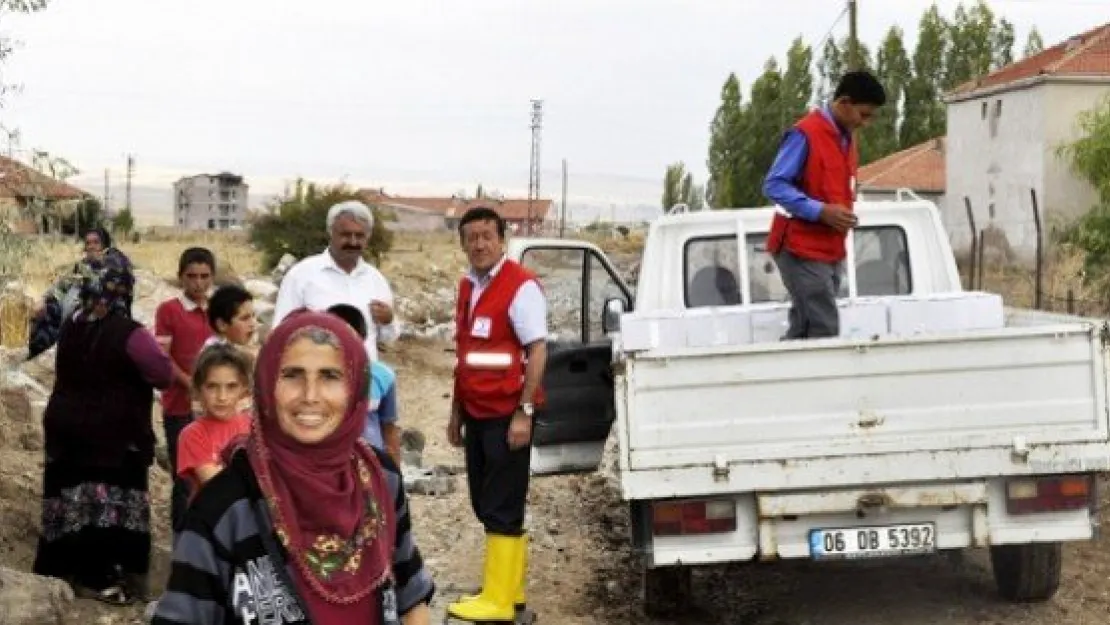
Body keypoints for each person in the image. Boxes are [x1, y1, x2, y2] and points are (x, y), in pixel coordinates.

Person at [151, 310, 434, 625]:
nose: (310, 396)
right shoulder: (224, 506)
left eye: (330, 376)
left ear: (355, 388)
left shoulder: (381, 478)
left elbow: (412, 597)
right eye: (292, 375)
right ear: (267, 385)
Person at [33, 252, 173, 606]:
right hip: (111, 436)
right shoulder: (132, 334)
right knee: (108, 505)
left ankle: (61, 571)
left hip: (66, 428)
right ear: (125, 291)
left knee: (70, 499)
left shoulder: (72, 326)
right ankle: (100, 579)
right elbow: (163, 375)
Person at [445, 207, 548, 623]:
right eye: (471, 237)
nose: (479, 244)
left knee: (502, 506)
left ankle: (498, 602)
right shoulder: (468, 287)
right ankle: (512, 592)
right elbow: (467, 354)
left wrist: (524, 412)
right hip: (476, 412)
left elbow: (537, 349)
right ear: (463, 244)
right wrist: (456, 411)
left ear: (502, 240)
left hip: (507, 414)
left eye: (487, 236)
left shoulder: (520, 286)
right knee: (486, 501)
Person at [763, 70, 887, 339]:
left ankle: (785, 377)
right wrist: (821, 211)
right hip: (799, 247)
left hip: (828, 248)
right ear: (844, 103)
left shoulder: (846, 138)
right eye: (863, 115)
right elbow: (774, 185)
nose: (866, 123)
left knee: (806, 325)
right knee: (823, 326)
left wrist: (840, 215)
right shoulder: (805, 134)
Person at [273, 200, 400, 363]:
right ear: (331, 233)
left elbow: (388, 338)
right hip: (317, 378)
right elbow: (280, 332)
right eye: (346, 235)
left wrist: (389, 320)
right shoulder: (302, 275)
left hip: (364, 378)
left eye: (360, 236)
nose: (353, 242)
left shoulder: (375, 280)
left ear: (368, 238)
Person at [154, 247, 216, 538]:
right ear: (181, 277)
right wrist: (190, 383)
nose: (199, 283)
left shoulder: (216, 310)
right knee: (185, 478)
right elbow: (163, 356)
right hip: (179, 407)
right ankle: (182, 540)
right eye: (192, 276)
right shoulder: (169, 310)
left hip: (215, 407)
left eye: (205, 276)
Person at [27, 226, 134, 359]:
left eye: (96, 242)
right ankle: (38, 356)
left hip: (103, 314)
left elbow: (108, 291)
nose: (91, 246)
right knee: (46, 310)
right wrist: (44, 299)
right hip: (76, 314)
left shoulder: (116, 264)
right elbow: (62, 286)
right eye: (88, 243)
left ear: (104, 245)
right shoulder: (81, 266)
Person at [326, 303, 401, 465]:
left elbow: (389, 428)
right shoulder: (314, 379)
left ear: (362, 337)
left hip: (372, 463)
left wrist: (395, 474)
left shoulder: (382, 376)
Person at [174, 344, 253, 498]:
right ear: (198, 388)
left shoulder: (253, 427)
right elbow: (216, 484)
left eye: (231, 386)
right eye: (212, 387)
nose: (222, 397)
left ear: (244, 388)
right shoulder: (192, 434)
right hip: (214, 518)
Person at [202, 284, 257, 349]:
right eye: (244, 318)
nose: (253, 323)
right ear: (222, 325)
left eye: (253, 315)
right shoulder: (217, 355)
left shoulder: (232, 348)